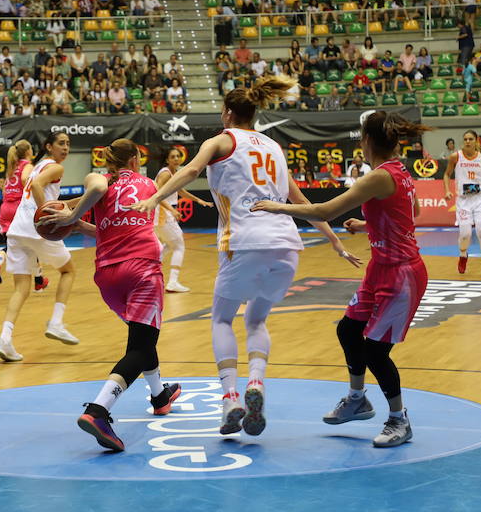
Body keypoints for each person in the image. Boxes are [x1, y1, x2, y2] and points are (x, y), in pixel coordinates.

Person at [130, 77, 359, 436]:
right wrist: (334, 241)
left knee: (222, 319)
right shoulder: (273, 147)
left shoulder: (222, 140)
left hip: (245, 241)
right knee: (256, 320)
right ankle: (256, 383)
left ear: (228, 113)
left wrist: (153, 199)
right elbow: (301, 201)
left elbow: (190, 171)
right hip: (287, 247)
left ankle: (231, 398)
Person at [251, 110, 431, 448]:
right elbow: (413, 210)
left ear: (367, 141)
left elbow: (325, 212)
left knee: (376, 353)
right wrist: (368, 225)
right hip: (381, 267)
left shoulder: (378, 176)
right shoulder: (400, 171)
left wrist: (278, 207)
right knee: (347, 329)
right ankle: (357, 399)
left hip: (402, 273)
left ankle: (399, 420)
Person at [38, 139, 182, 451]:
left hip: (108, 276)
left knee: (142, 340)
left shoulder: (101, 183)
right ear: (132, 160)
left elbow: (105, 222)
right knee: (141, 348)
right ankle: (99, 410)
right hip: (141, 269)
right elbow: (98, 186)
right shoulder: (137, 182)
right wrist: (69, 217)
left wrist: (76, 222)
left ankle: (160, 396)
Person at [0, 132, 78, 362]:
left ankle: (5, 339)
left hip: (18, 230)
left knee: (21, 288)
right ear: (49, 146)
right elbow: (40, 189)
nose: (66, 147)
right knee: (68, 271)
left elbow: (48, 196)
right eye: (61, 143)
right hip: (36, 229)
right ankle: (57, 322)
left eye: (68, 144)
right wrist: (46, 216)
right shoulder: (55, 168)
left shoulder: (38, 166)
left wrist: (81, 201)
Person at [0, 140, 49, 291]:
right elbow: (26, 180)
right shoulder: (27, 166)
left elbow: (4, 191)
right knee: (33, 244)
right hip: (19, 208)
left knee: (15, 245)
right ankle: (37, 278)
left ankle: (38, 279)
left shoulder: (11, 167)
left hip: (5, 207)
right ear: (28, 151)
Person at [153, 147, 213, 293]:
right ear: (167, 159)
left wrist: (199, 200)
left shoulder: (174, 173)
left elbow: (180, 190)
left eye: (177, 156)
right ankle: (172, 282)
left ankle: (148, 271)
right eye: (172, 156)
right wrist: (172, 210)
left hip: (164, 213)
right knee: (179, 246)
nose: (176, 159)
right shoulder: (165, 174)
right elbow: (157, 195)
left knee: (168, 245)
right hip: (163, 213)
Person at [443, 130, 481, 278]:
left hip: (480, 199)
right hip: (463, 200)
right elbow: (446, 174)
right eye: (465, 139)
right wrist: (447, 190)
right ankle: (463, 255)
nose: (468, 141)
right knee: (465, 234)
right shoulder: (456, 156)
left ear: (476, 141)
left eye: (471, 139)